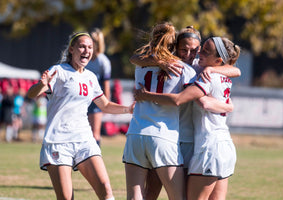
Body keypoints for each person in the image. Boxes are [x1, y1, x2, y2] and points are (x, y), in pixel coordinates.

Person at [130, 26, 240, 199]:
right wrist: (160, 61)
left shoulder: (199, 67)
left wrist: (213, 71)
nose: (189, 54)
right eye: (184, 49)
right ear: (175, 47)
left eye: (195, 50)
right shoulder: (174, 65)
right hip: (170, 139)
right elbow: (135, 58)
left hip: (192, 142)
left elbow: (236, 70)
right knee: (153, 191)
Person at [26, 32, 134, 200]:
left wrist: (128, 109)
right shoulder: (59, 71)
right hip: (58, 142)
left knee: (106, 190)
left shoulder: (90, 77)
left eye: (90, 47)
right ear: (72, 49)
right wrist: (41, 85)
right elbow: (31, 94)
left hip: (84, 139)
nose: (86, 50)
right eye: (82, 46)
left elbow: (104, 105)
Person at [122, 22, 197, 200]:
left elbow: (135, 57)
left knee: (135, 196)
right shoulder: (183, 69)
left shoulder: (140, 65)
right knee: (178, 197)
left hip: (135, 134)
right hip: (163, 137)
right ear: (175, 46)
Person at [86, 28, 112, 146]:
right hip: (84, 98)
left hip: (96, 100)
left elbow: (106, 83)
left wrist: (106, 103)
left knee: (94, 133)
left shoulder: (103, 61)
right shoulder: (85, 59)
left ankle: (95, 157)